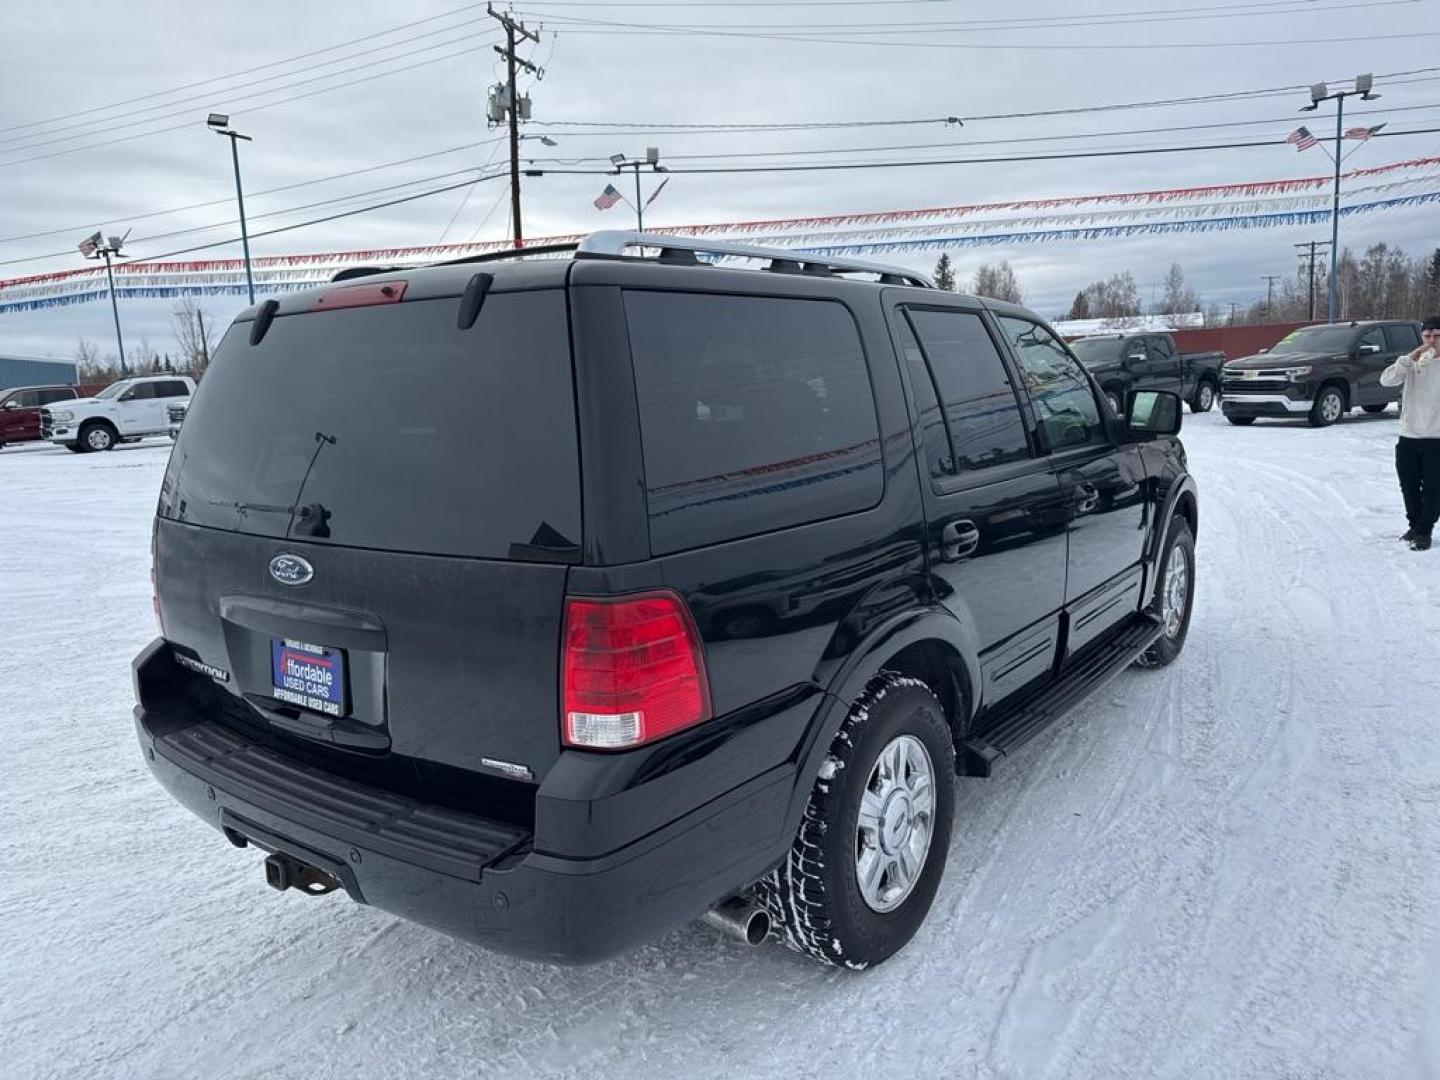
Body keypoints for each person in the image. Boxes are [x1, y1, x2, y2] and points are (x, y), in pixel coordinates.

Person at [1381, 316, 1440, 551]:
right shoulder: (1412, 363)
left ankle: (1424, 530)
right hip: (1409, 435)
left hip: (1436, 438)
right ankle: (1415, 525)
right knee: (1409, 486)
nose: (1432, 341)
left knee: (1434, 489)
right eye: (1427, 336)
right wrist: (1411, 357)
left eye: (1437, 336)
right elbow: (1386, 380)